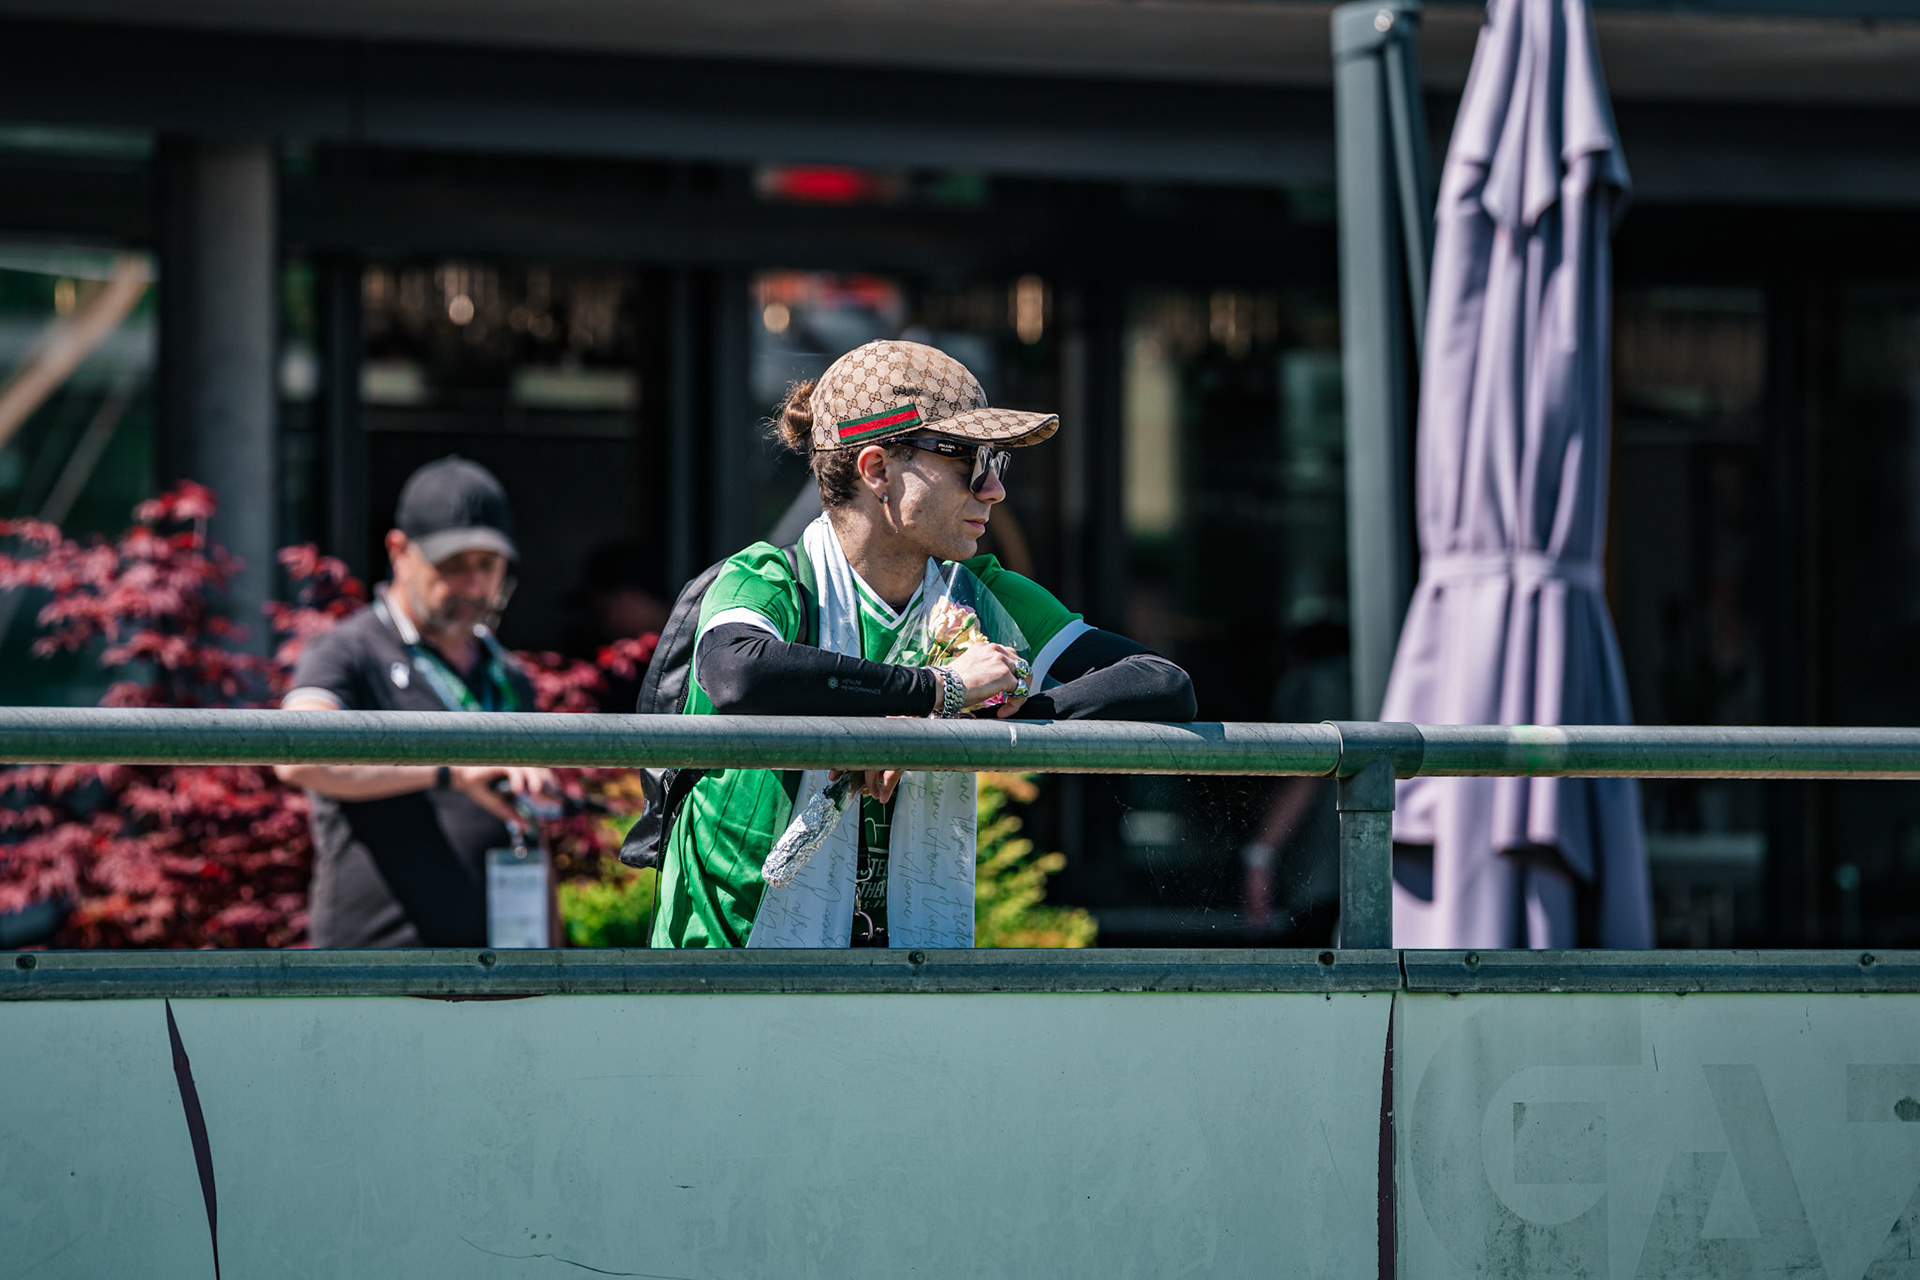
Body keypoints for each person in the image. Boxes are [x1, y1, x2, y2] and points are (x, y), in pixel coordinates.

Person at [654, 339, 1196, 949]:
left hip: (899, 966)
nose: (994, 489)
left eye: (997, 462)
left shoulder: (983, 588)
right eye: (970, 460)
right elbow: (738, 674)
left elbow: (1163, 684)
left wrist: (957, 728)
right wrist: (941, 691)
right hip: (727, 966)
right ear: (877, 470)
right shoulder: (768, 577)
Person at [276, 456, 559, 948]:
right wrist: (451, 770)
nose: (473, 584)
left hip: (501, 970)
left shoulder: (508, 674)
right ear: (399, 551)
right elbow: (296, 752)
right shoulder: (348, 650)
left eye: (488, 565)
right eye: (453, 564)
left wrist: (553, 963)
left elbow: (536, 833)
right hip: (376, 969)